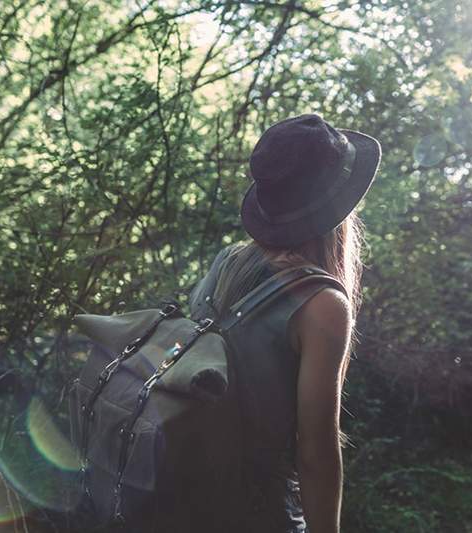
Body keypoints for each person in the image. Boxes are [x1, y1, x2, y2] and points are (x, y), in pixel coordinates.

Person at [188, 113, 381, 533]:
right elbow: (315, 451)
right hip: (257, 512)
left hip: (187, 497)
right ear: (338, 208)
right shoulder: (323, 304)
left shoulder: (228, 264)